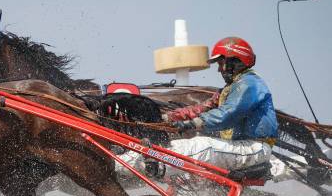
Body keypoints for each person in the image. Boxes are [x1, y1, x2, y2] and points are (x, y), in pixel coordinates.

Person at [118, 36, 278, 177]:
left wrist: (191, 124)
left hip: (254, 148)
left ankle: (159, 165)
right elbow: (201, 108)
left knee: (203, 145)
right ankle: (119, 164)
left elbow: (226, 115)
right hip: (240, 147)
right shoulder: (229, 89)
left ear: (233, 62)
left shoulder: (249, 84)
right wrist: (167, 118)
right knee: (172, 146)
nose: (218, 69)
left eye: (220, 63)